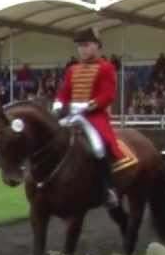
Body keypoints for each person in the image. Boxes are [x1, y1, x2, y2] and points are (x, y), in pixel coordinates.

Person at [52, 27, 121, 208]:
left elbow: (108, 95)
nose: (82, 49)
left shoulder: (106, 68)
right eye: (79, 46)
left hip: (94, 116)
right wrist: (58, 103)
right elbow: (64, 92)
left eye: (86, 45)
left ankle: (108, 188)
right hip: (71, 115)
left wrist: (87, 105)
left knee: (99, 147)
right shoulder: (72, 69)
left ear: (97, 46)